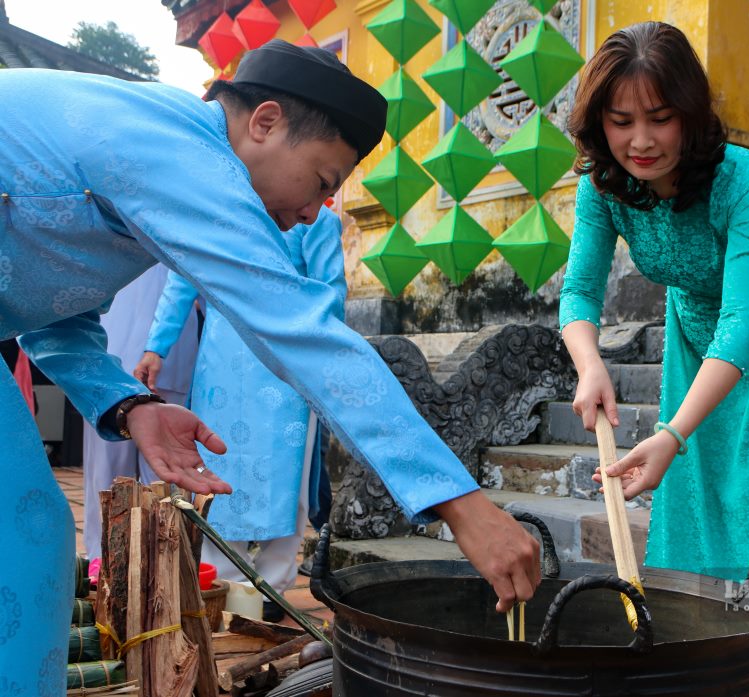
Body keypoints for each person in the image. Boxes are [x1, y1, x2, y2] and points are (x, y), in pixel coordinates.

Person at [0, 39, 539, 693]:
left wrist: (130, 405)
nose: (314, 211)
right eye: (321, 180)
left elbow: (55, 316)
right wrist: (464, 505)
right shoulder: (180, 156)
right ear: (265, 122)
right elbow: (301, 331)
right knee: (26, 539)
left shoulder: (159, 156)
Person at [560, 23, 749, 697]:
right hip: (696, 326)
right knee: (696, 496)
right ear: (599, 122)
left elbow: (746, 321)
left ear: (690, 112)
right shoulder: (603, 186)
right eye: (621, 120)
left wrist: (671, 433)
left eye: (661, 119)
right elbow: (578, 291)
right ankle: (703, 667)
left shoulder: (746, 180)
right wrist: (589, 362)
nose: (641, 141)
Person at [134, 206, 346, 622]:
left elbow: (330, 293)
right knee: (216, 466)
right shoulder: (214, 206)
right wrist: (155, 346)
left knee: (287, 479)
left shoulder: (314, 217)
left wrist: (323, 360)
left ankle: (272, 587)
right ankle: (226, 581)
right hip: (221, 363)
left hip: (286, 365)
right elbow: (182, 279)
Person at [82, 264, 200, 581]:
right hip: (109, 343)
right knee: (107, 467)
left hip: (170, 349)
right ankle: (103, 555)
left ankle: (167, 558)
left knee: (165, 469)